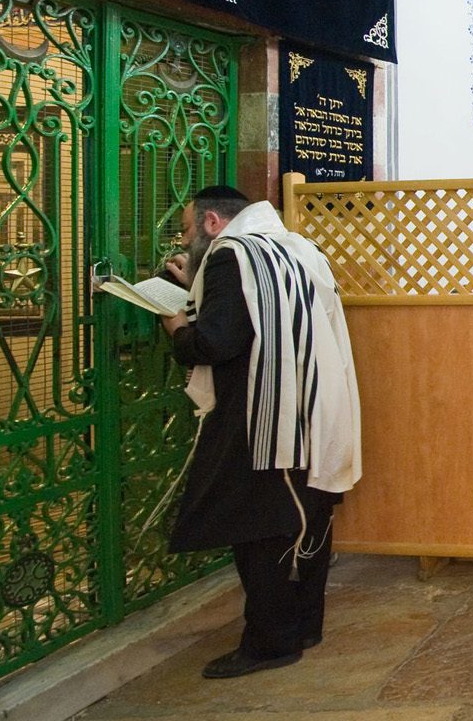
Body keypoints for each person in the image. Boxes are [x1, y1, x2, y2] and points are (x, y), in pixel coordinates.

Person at [158, 185, 362, 679]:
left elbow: (216, 342)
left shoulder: (233, 256)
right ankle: (303, 626)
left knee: (261, 529)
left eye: (187, 229)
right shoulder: (297, 247)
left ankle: (270, 642)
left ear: (211, 223)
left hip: (267, 418)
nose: (185, 240)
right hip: (318, 407)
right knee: (308, 518)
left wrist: (174, 322)